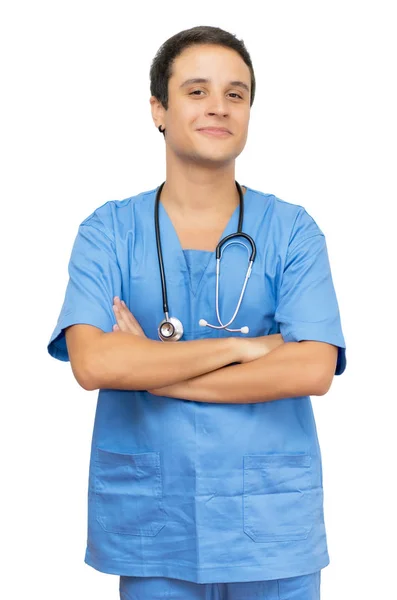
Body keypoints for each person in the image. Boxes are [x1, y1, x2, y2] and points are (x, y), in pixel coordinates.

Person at [47, 25, 346, 600]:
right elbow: (94, 364)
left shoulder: (292, 231)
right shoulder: (109, 231)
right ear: (158, 109)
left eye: (236, 94)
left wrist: (155, 373)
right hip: (155, 523)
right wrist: (246, 346)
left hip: (271, 525)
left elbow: (311, 369)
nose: (219, 107)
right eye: (197, 91)